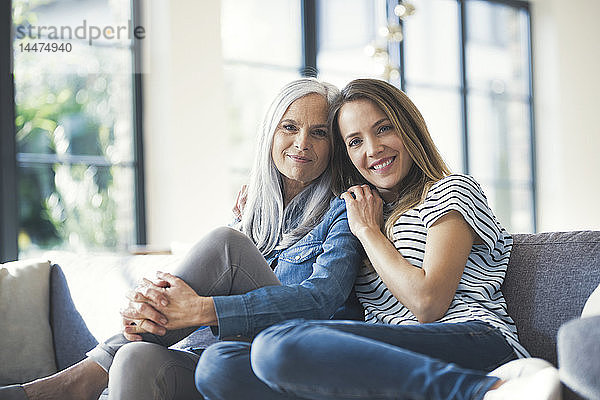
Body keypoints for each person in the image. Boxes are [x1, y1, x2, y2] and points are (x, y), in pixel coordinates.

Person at [195, 78, 562, 400]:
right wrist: (250, 219)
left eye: (383, 129)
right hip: (390, 360)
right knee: (220, 363)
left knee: (280, 343)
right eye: (355, 141)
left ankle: (490, 390)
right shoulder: (354, 210)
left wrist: (369, 233)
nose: (372, 149)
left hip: (472, 340)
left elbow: (428, 303)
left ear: (409, 128)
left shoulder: (449, 191)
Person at [0, 78, 364, 400]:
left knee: (228, 245)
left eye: (319, 133)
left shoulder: (344, 209)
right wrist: (147, 307)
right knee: (133, 357)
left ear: (335, 145)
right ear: (270, 133)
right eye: (289, 127)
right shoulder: (252, 209)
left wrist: (202, 310)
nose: (302, 143)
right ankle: (100, 366)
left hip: (287, 357)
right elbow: (201, 285)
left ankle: (79, 382)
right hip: (219, 359)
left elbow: (321, 299)